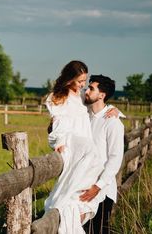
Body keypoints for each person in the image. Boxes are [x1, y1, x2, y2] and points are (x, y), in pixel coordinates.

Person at [44, 60, 107, 233]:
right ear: (70, 79)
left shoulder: (81, 96)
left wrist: (112, 109)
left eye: (85, 81)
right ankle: (66, 206)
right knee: (89, 151)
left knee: (94, 161)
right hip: (71, 139)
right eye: (80, 81)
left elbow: (98, 102)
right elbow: (58, 122)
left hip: (84, 138)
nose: (83, 85)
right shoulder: (57, 97)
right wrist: (60, 142)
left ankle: (72, 205)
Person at [80, 75, 125, 234]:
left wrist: (97, 187)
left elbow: (115, 159)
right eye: (87, 87)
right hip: (82, 185)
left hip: (101, 190)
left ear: (102, 95)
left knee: (97, 231)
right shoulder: (85, 117)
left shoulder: (113, 123)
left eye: (91, 88)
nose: (86, 90)